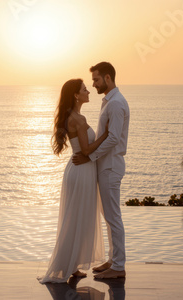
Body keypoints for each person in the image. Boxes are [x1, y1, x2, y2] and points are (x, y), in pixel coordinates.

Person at [38, 79, 107, 283]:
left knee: (76, 217)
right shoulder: (78, 118)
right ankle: (69, 264)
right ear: (76, 95)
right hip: (81, 169)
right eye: (85, 89)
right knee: (78, 217)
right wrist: (106, 135)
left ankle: (72, 265)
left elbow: (83, 150)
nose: (88, 91)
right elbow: (86, 150)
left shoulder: (72, 116)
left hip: (78, 169)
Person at [73, 62, 130, 279]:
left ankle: (119, 266)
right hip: (106, 165)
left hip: (110, 166)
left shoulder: (115, 104)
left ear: (108, 78)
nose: (93, 84)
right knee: (109, 216)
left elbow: (114, 137)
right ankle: (113, 259)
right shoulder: (109, 102)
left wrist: (90, 155)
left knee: (113, 216)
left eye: (96, 80)